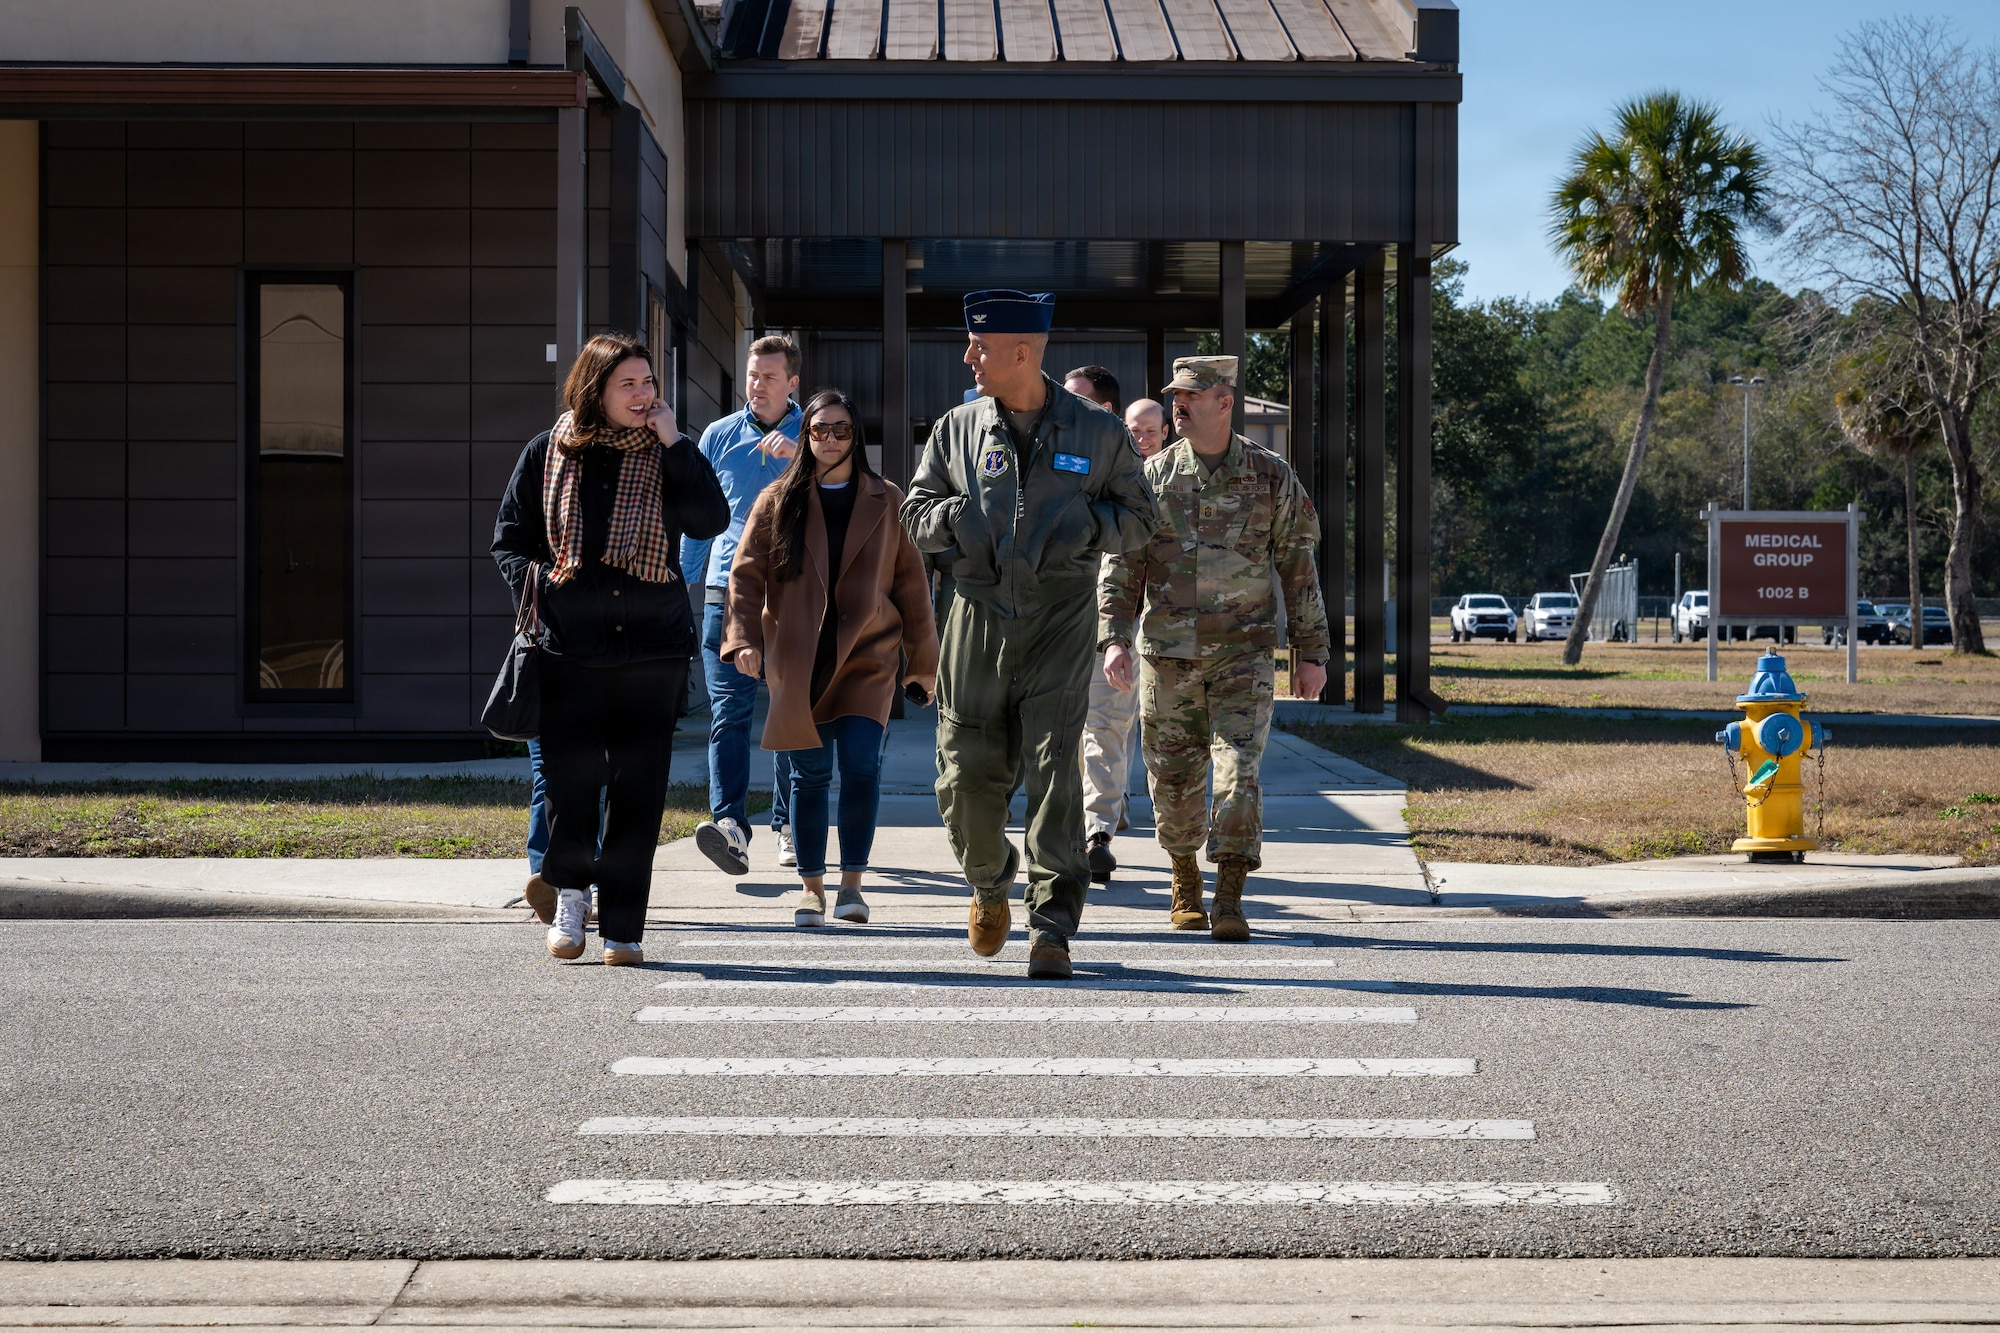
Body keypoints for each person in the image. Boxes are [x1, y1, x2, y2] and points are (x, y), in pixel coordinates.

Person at [901, 290, 1157, 980]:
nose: (968, 357)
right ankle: (990, 881)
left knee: (1054, 778)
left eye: (978, 347)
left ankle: (1052, 925)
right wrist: (957, 519)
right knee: (964, 775)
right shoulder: (956, 429)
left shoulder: (1097, 433)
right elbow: (914, 511)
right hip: (976, 618)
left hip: (1060, 618)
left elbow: (1141, 515)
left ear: (1022, 352)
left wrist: (1085, 529)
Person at [492, 333, 728, 964]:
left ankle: (623, 928)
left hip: (652, 649)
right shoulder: (548, 451)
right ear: (593, 389)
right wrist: (541, 585)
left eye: (649, 383)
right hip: (570, 648)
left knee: (639, 788)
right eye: (629, 384)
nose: (644, 395)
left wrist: (677, 440)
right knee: (571, 783)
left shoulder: (667, 450)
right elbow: (508, 540)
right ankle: (570, 903)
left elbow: (709, 519)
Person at [1099, 356, 1331, 941]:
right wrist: (1113, 639)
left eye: (1191, 396)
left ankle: (1230, 894)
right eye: (1174, 395)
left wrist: (1312, 652)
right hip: (1166, 657)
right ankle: (1184, 881)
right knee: (1173, 777)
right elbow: (1121, 566)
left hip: (1243, 656)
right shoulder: (1150, 478)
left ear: (1224, 402)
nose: (1177, 404)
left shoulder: (1271, 476)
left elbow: (1298, 566)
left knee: (1236, 775)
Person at [723, 390, 940, 928]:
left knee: (863, 766)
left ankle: (852, 886)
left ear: (856, 436)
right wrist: (743, 639)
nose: (830, 440)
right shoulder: (777, 499)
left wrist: (922, 662)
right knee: (809, 775)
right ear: (807, 435)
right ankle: (812, 889)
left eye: (841, 430)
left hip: (869, 653)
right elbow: (745, 576)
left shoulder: (888, 498)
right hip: (800, 656)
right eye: (820, 430)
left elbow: (913, 584)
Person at [688, 337, 805, 878]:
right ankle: (730, 824)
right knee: (728, 713)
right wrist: (680, 581)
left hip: (791, 593)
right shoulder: (718, 436)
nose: (757, 385)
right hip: (725, 593)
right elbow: (699, 518)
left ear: (792, 384)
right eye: (752, 375)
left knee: (787, 715)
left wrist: (800, 458)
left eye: (769, 377)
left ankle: (786, 825)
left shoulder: (817, 433)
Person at [1077, 395, 1169, 884]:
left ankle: (1097, 833)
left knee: (1108, 725)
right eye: (1135, 430)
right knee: (1090, 729)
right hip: (1079, 619)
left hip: (1132, 626)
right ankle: (1099, 818)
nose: (1141, 439)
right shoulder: (1089, 472)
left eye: (1150, 431)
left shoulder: (1168, 484)